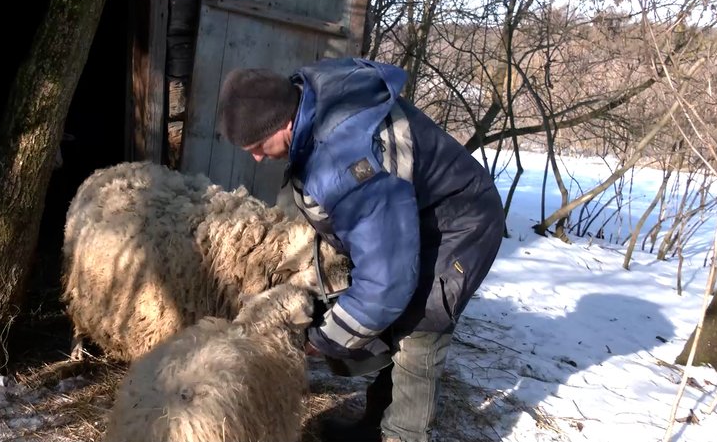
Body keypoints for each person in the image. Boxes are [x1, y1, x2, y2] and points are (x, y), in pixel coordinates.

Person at [215, 57, 505, 442]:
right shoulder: (312, 99)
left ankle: (402, 435)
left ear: (283, 123)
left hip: (459, 223)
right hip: (412, 214)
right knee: (394, 323)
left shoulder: (350, 160)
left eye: (256, 146)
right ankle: (374, 424)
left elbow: (387, 283)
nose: (255, 157)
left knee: (419, 329)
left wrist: (327, 340)